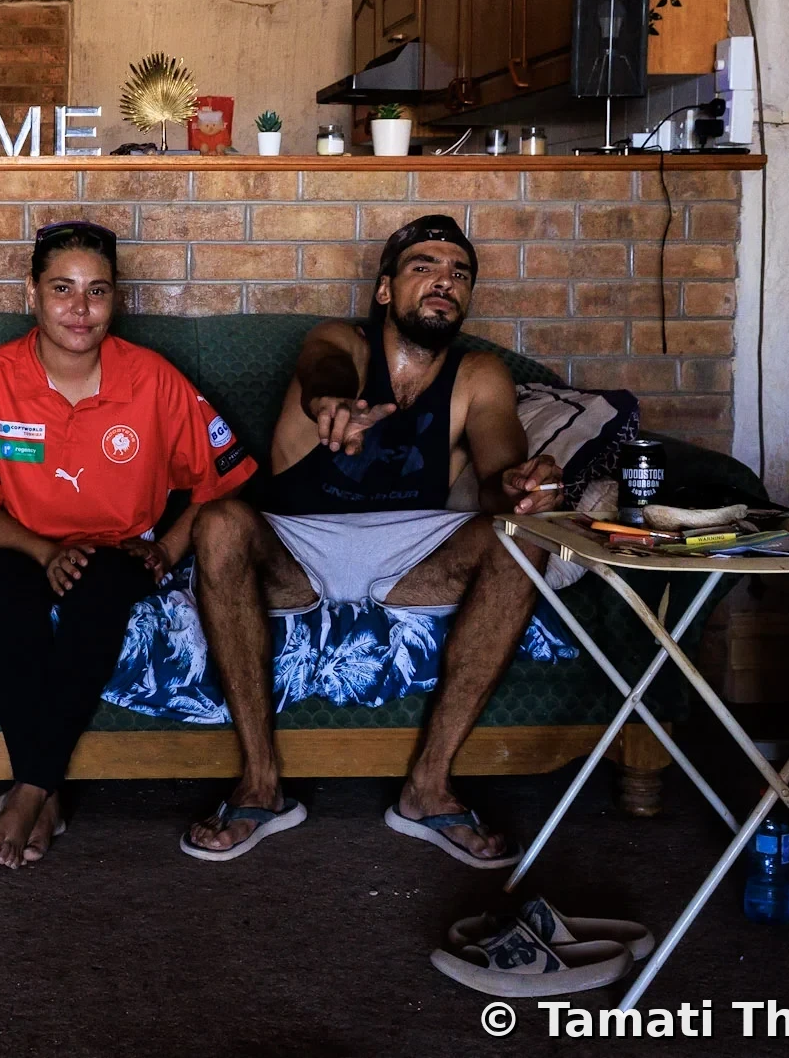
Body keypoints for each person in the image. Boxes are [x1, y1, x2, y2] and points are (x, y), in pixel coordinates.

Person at [181, 214, 569, 867]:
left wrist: (528, 485)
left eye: (459, 273)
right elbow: (324, 365)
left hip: (413, 552)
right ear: (386, 289)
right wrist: (331, 401)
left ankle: (429, 787)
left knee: (520, 536)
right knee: (219, 522)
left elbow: (501, 483)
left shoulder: (479, 374)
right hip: (297, 543)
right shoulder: (342, 341)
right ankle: (260, 784)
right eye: (424, 266)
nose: (445, 280)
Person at [0, 221, 258, 869]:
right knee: (6, 591)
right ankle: (43, 787)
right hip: (15, 547)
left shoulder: (152, 378)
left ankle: (30, 788)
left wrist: (168, 549)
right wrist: (44, 554)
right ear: (31, 292)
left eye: (97, 291)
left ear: (116, 297)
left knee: (100, 585)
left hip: (117, 552)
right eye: (62, 288)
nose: (80, 308)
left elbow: (220, 478)